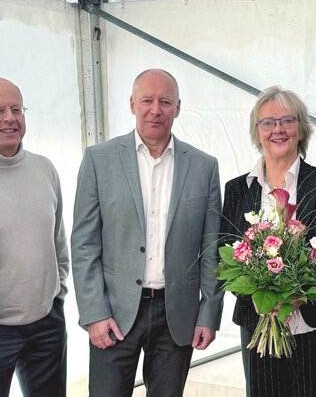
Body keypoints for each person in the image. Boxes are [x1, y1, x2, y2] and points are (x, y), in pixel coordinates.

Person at [71, 68, 223, 396]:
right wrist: (94, 313)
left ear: (178, 107)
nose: (156, 109)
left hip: (177, 316)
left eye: (165, 101)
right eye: (147, 101)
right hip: (114, 314)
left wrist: (209, 312)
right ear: (131, 104)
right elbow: (84, 243)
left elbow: (211, 248)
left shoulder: (204, 166)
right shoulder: (99, 160)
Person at [220, 86, 316, 397]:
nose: (277, 130)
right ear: (257, 131)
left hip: (315, 322)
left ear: (301, 129)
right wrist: (257, 289)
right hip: (258, 323)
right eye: (268, 122)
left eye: (287, 121)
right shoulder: (239, 189)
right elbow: (224, 251)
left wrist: (301, 294)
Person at [0, 78, 69, 396]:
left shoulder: (44, 168)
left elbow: (57, 240)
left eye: (16, 108)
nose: (10, 118)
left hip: (47, 324)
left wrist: (58, 296)